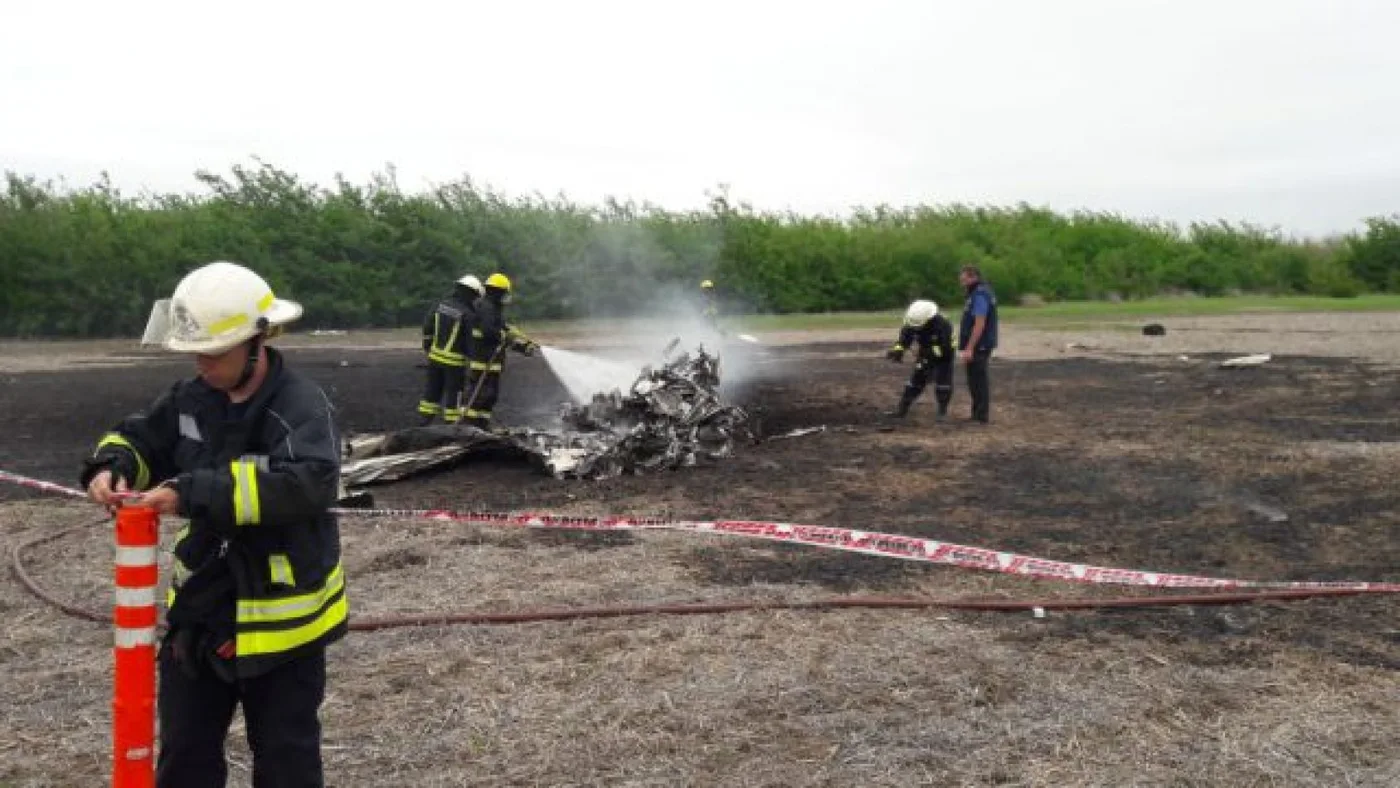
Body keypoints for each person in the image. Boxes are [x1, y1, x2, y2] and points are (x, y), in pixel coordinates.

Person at [80, 261, 347, 787]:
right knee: (184, 756)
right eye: (194, 352)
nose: (201, 364)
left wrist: (192, 492)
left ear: (257, 341)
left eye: (213, 353)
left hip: (282, 627)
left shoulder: (300, 407)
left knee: (286, 761)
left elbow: (308, 483)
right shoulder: (192, 398)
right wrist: (112, 465)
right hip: (201, 617)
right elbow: (141, 436)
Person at [464, 273, 538, 429]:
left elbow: (503, 333)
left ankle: (482, 425)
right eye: (504, 292)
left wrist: (523, 346)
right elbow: (490, 332)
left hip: (490, 360)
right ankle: (470, 426)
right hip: (483, 361)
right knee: (480, 396)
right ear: (497, 291)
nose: (506, 296)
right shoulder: (486, 308)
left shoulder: (492, 308)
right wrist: (508, 336)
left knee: (489, 396)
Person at [418, 274, 483, 425]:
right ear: (471, 293)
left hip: (434, 359)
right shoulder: (468, 314)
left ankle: (423, 425)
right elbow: (470, 342)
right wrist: (474, 363)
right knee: (454, 396)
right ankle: (451, 429)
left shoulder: (440, 305)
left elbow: (427, 326)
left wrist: (428, 346)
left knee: (431, 393)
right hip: (454, 364)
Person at [885, 299, 956, 419]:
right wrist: (898, 349)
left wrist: (925, 354)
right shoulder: (912, 322)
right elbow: (904, 339)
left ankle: (942, 412)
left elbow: (944, 349)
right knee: (916, 380)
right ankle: (902, 410)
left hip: (945, 354)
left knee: (943, 382)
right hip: (926, 351)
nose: (915, 328)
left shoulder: (943, 325)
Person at [958, 265, 999, 423]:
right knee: (973, 379)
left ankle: (981, 415)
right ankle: (976, 413)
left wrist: (969, 347)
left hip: (979, 344)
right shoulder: (976, 293)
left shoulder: (980, 294)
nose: (962, 282)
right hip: (978, 344)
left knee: (978, 379)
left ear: (973, 277)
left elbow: (979, 323)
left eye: (964, 279)